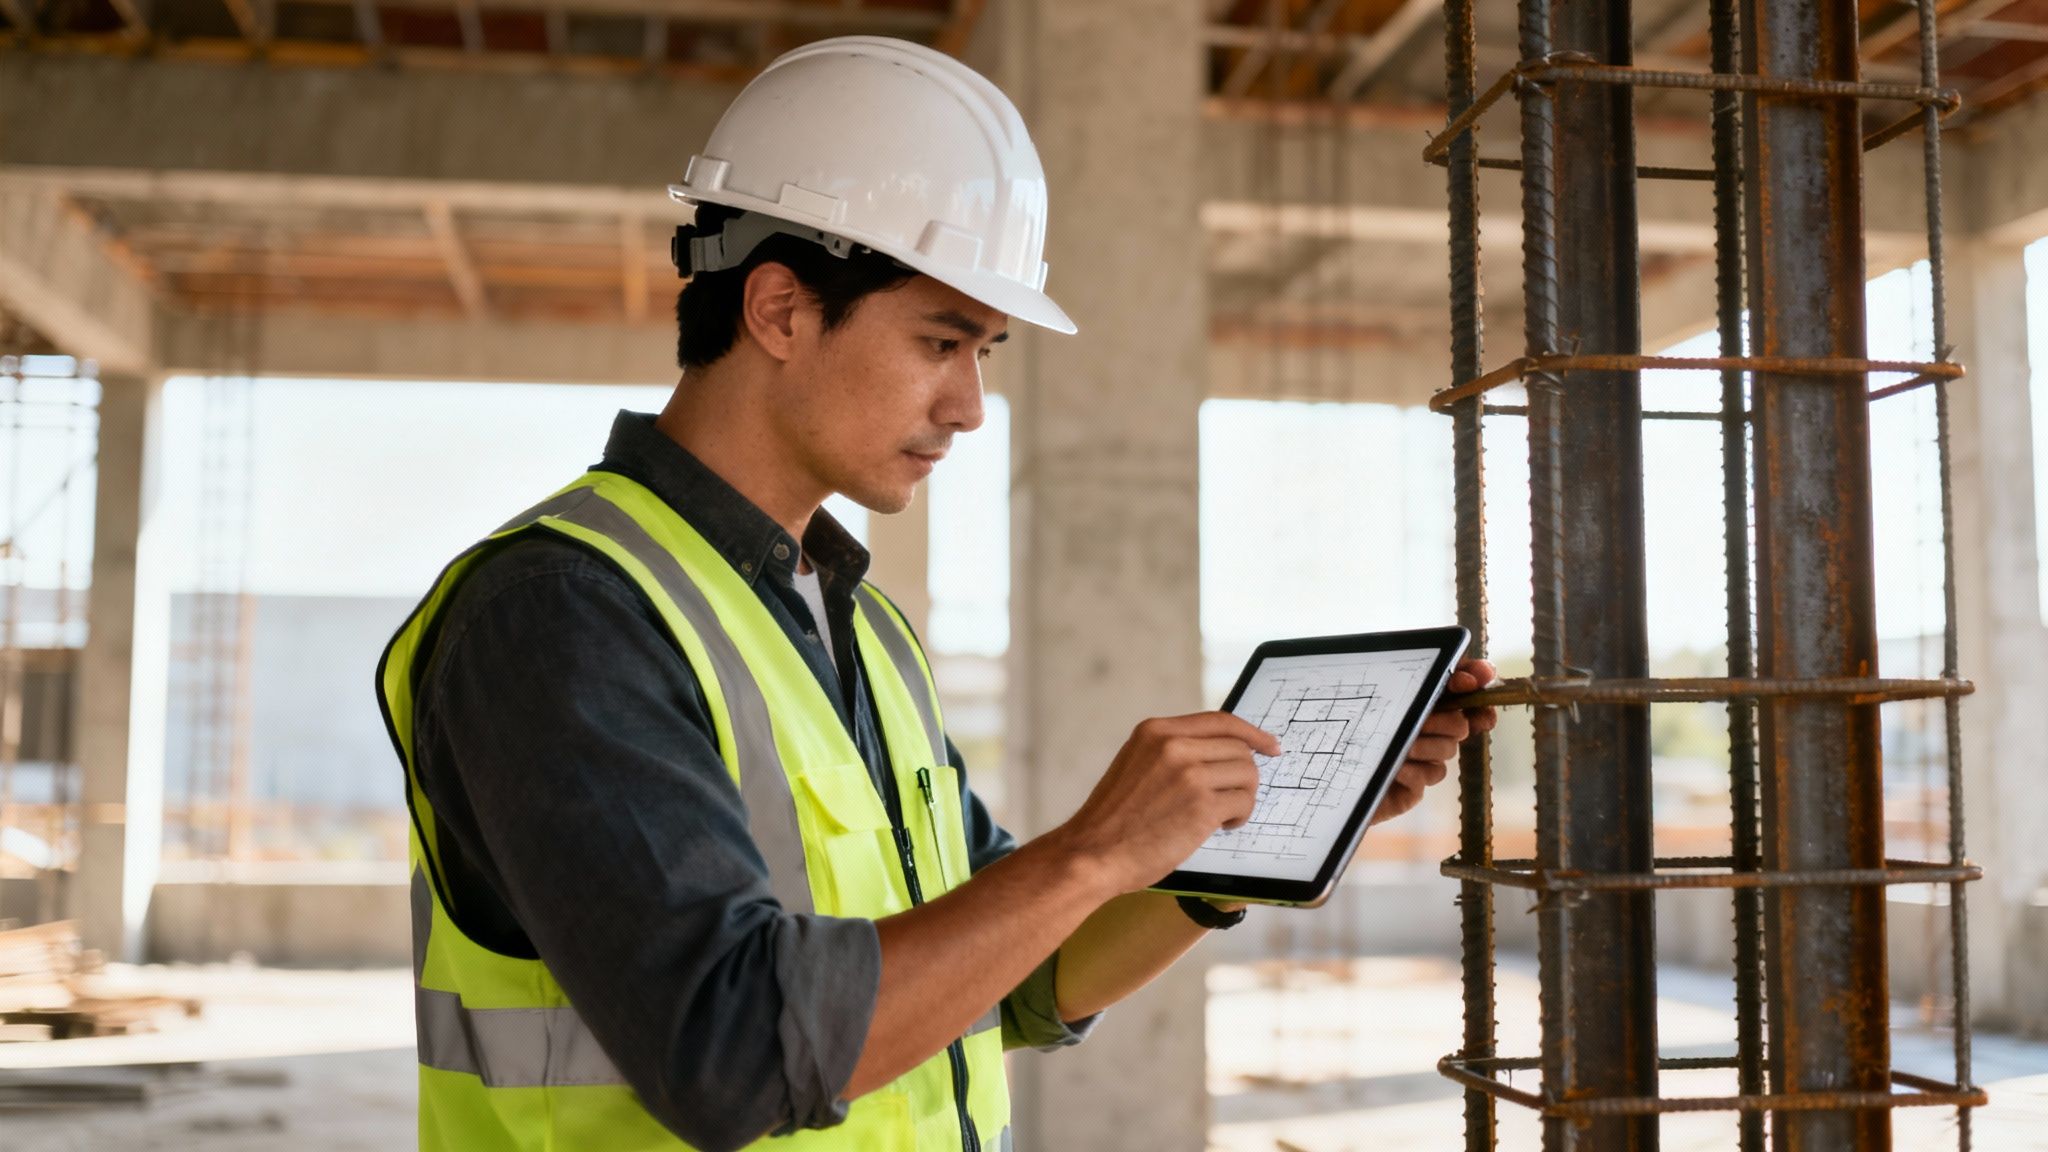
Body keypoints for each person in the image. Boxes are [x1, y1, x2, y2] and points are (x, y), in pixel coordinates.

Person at [376, 35, 1497, 1152]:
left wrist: (1234, 850)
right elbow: (728, 1049)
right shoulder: (561, 613)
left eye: (986, 351)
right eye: (940, 340)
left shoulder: (855, 624)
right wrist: (1089, 852)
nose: (967, 404)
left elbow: (1017, 981)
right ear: (778, 310)